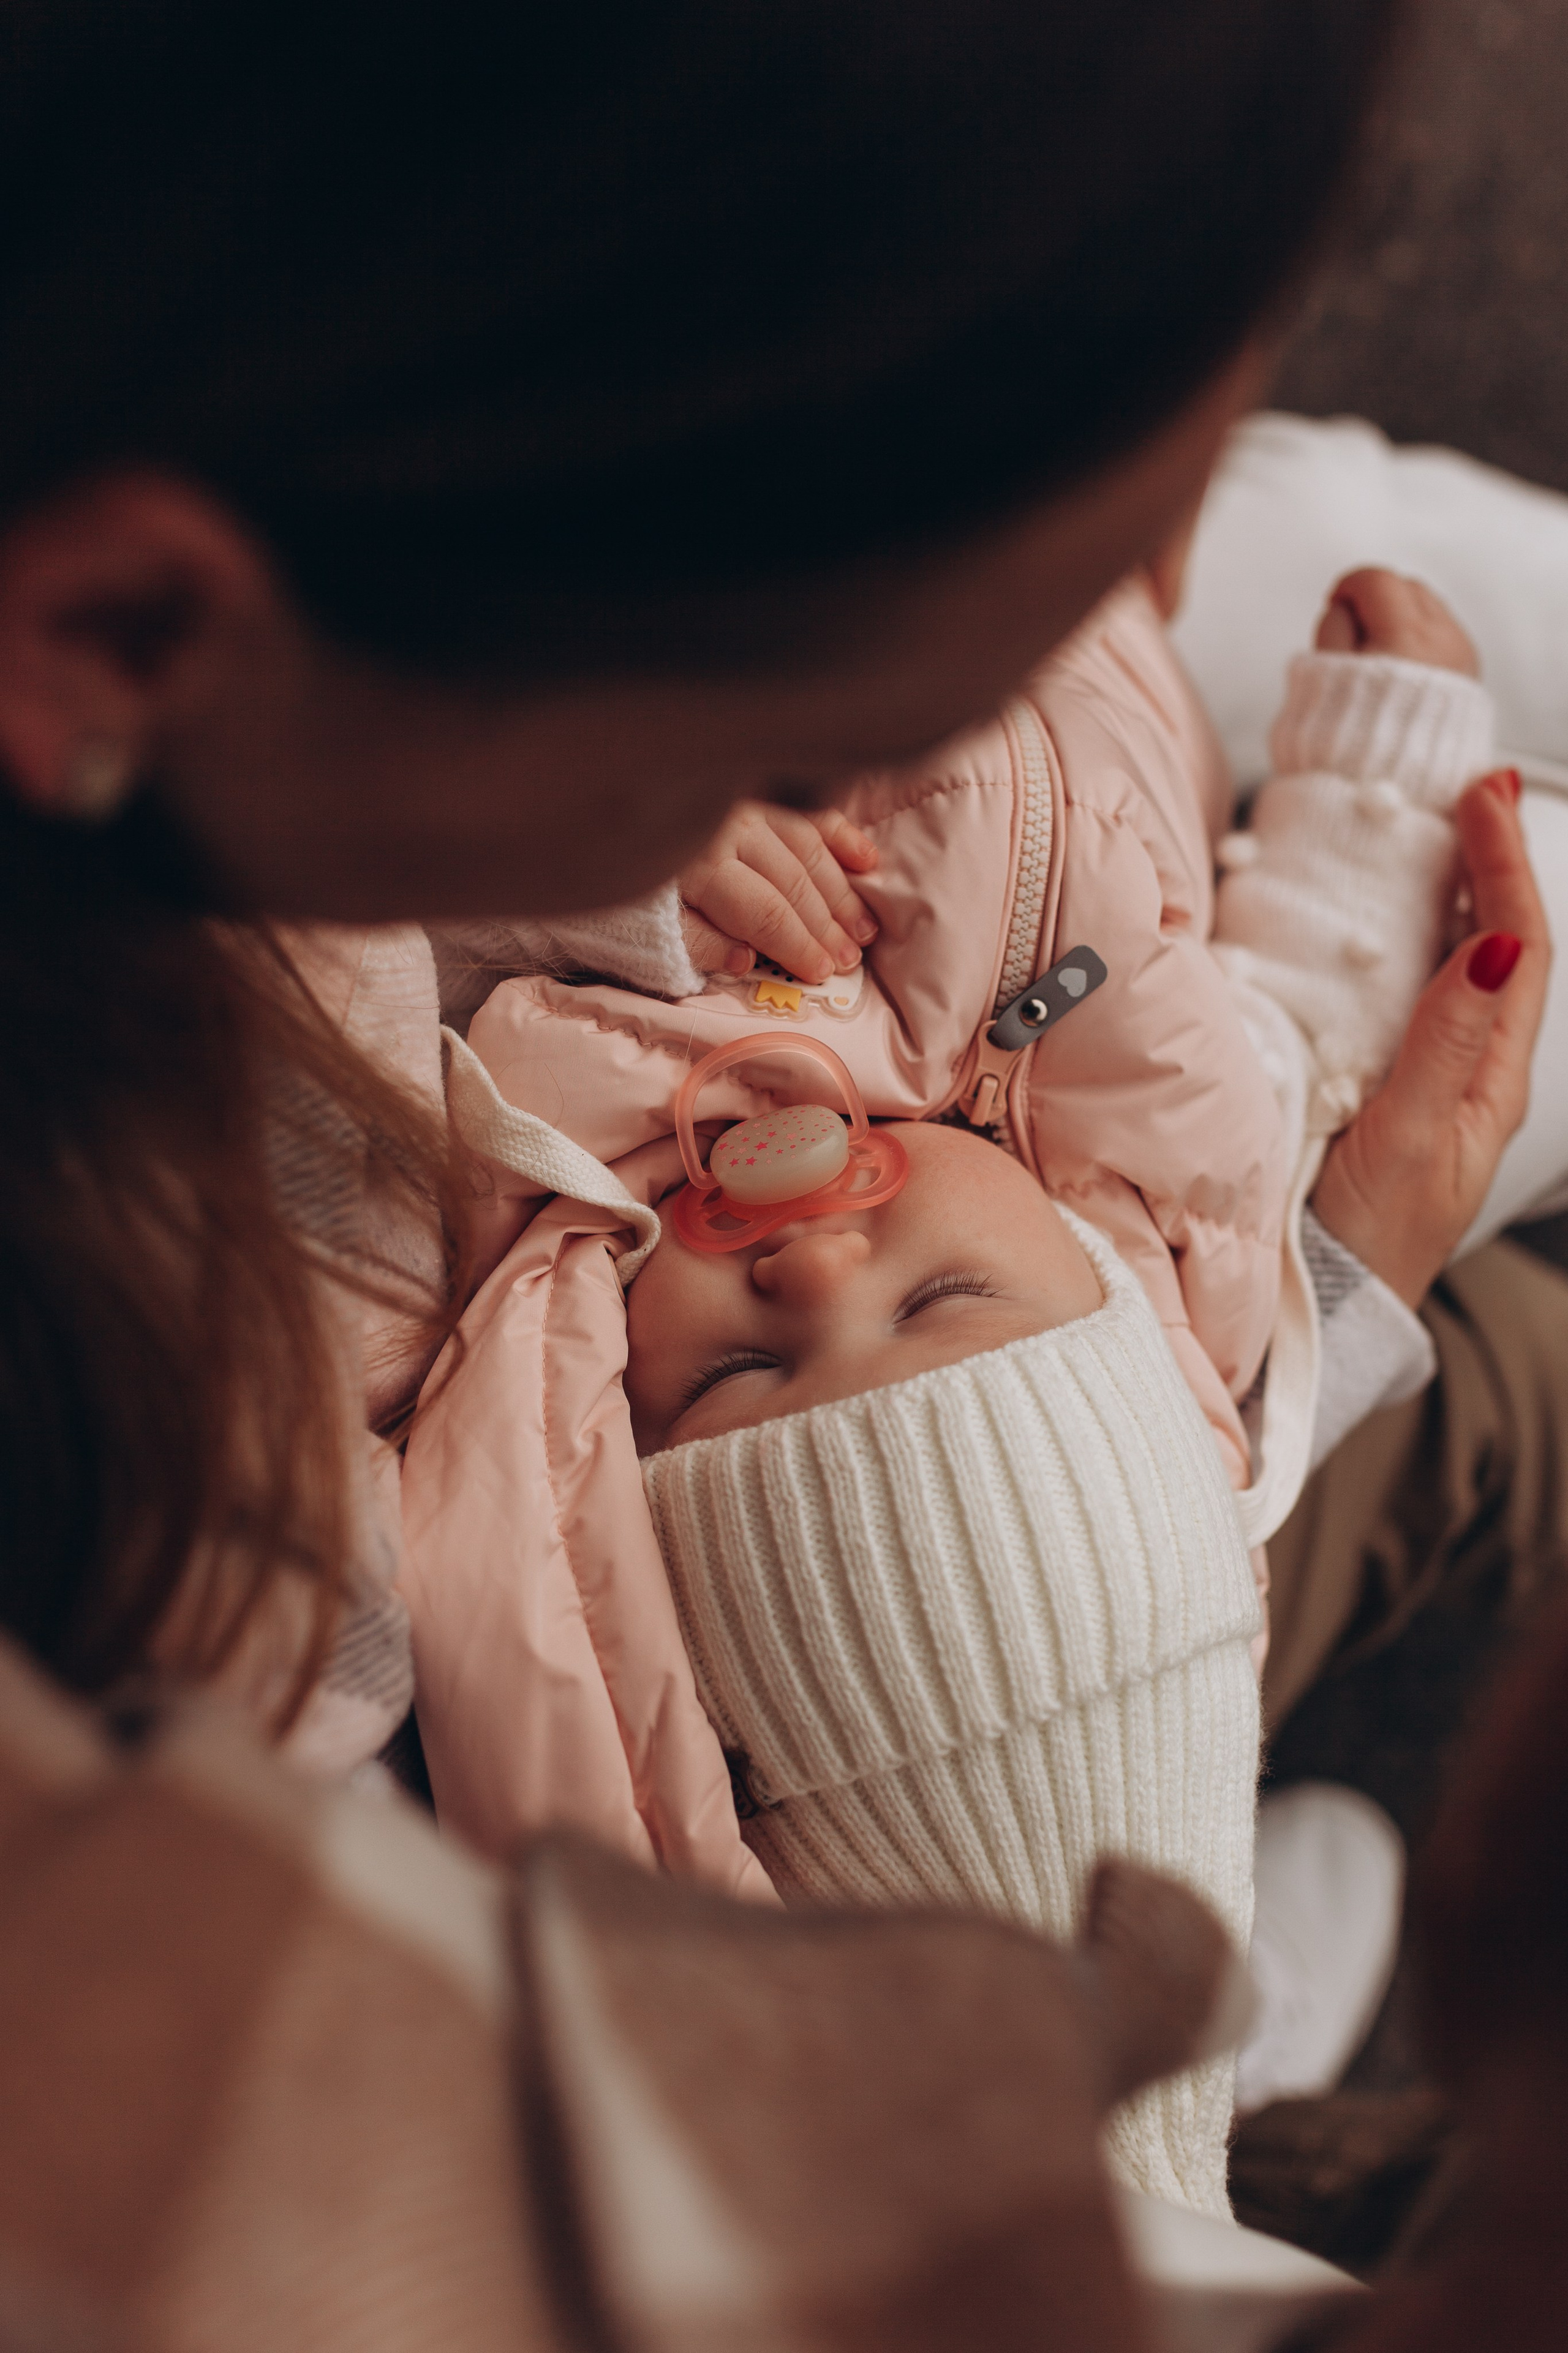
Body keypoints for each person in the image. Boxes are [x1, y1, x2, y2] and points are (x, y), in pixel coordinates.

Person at [0, 0, 1524, 2338]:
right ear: (121, 630)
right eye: (799, 735)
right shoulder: (208, 1566)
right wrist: (1292, 1323)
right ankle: (1228, 2021)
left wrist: (1290, 1291)